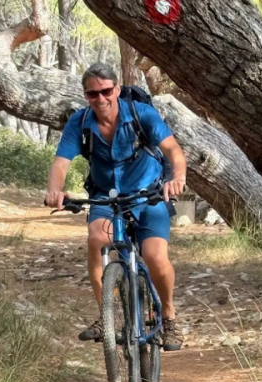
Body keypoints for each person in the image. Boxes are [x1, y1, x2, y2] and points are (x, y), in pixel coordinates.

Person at [45, 63, 187, 351]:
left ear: (117, 89)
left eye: (106, 91)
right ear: (86, 96)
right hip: (106, 197)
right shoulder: (80, 123)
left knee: (155, 256)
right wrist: (54, 191)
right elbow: (61, 163)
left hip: (148, 195)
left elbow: (173, 150)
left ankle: (169, 317)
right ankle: (106, 316)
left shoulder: (140, 114)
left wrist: (178, 178)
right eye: (92, 94)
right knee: (96, 239)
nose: (100, 99)